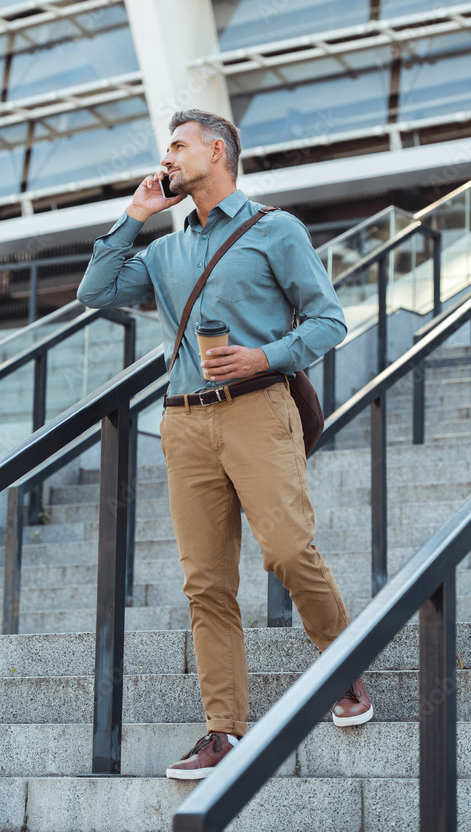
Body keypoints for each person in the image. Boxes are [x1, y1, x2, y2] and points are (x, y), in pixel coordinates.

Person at [77, 109, 373, 781]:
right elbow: (94, 292)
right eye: (166, 149)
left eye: (178, 146)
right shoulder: (163, 252)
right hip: (183, 423)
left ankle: (342, 668)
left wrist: (264, 355)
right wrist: (135, 213)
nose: (168, 157)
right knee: (205, 584)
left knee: (289, 550)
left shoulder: (274, 230)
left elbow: (329, 319)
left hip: (258, 411)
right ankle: (223, 731)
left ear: (218, 152)